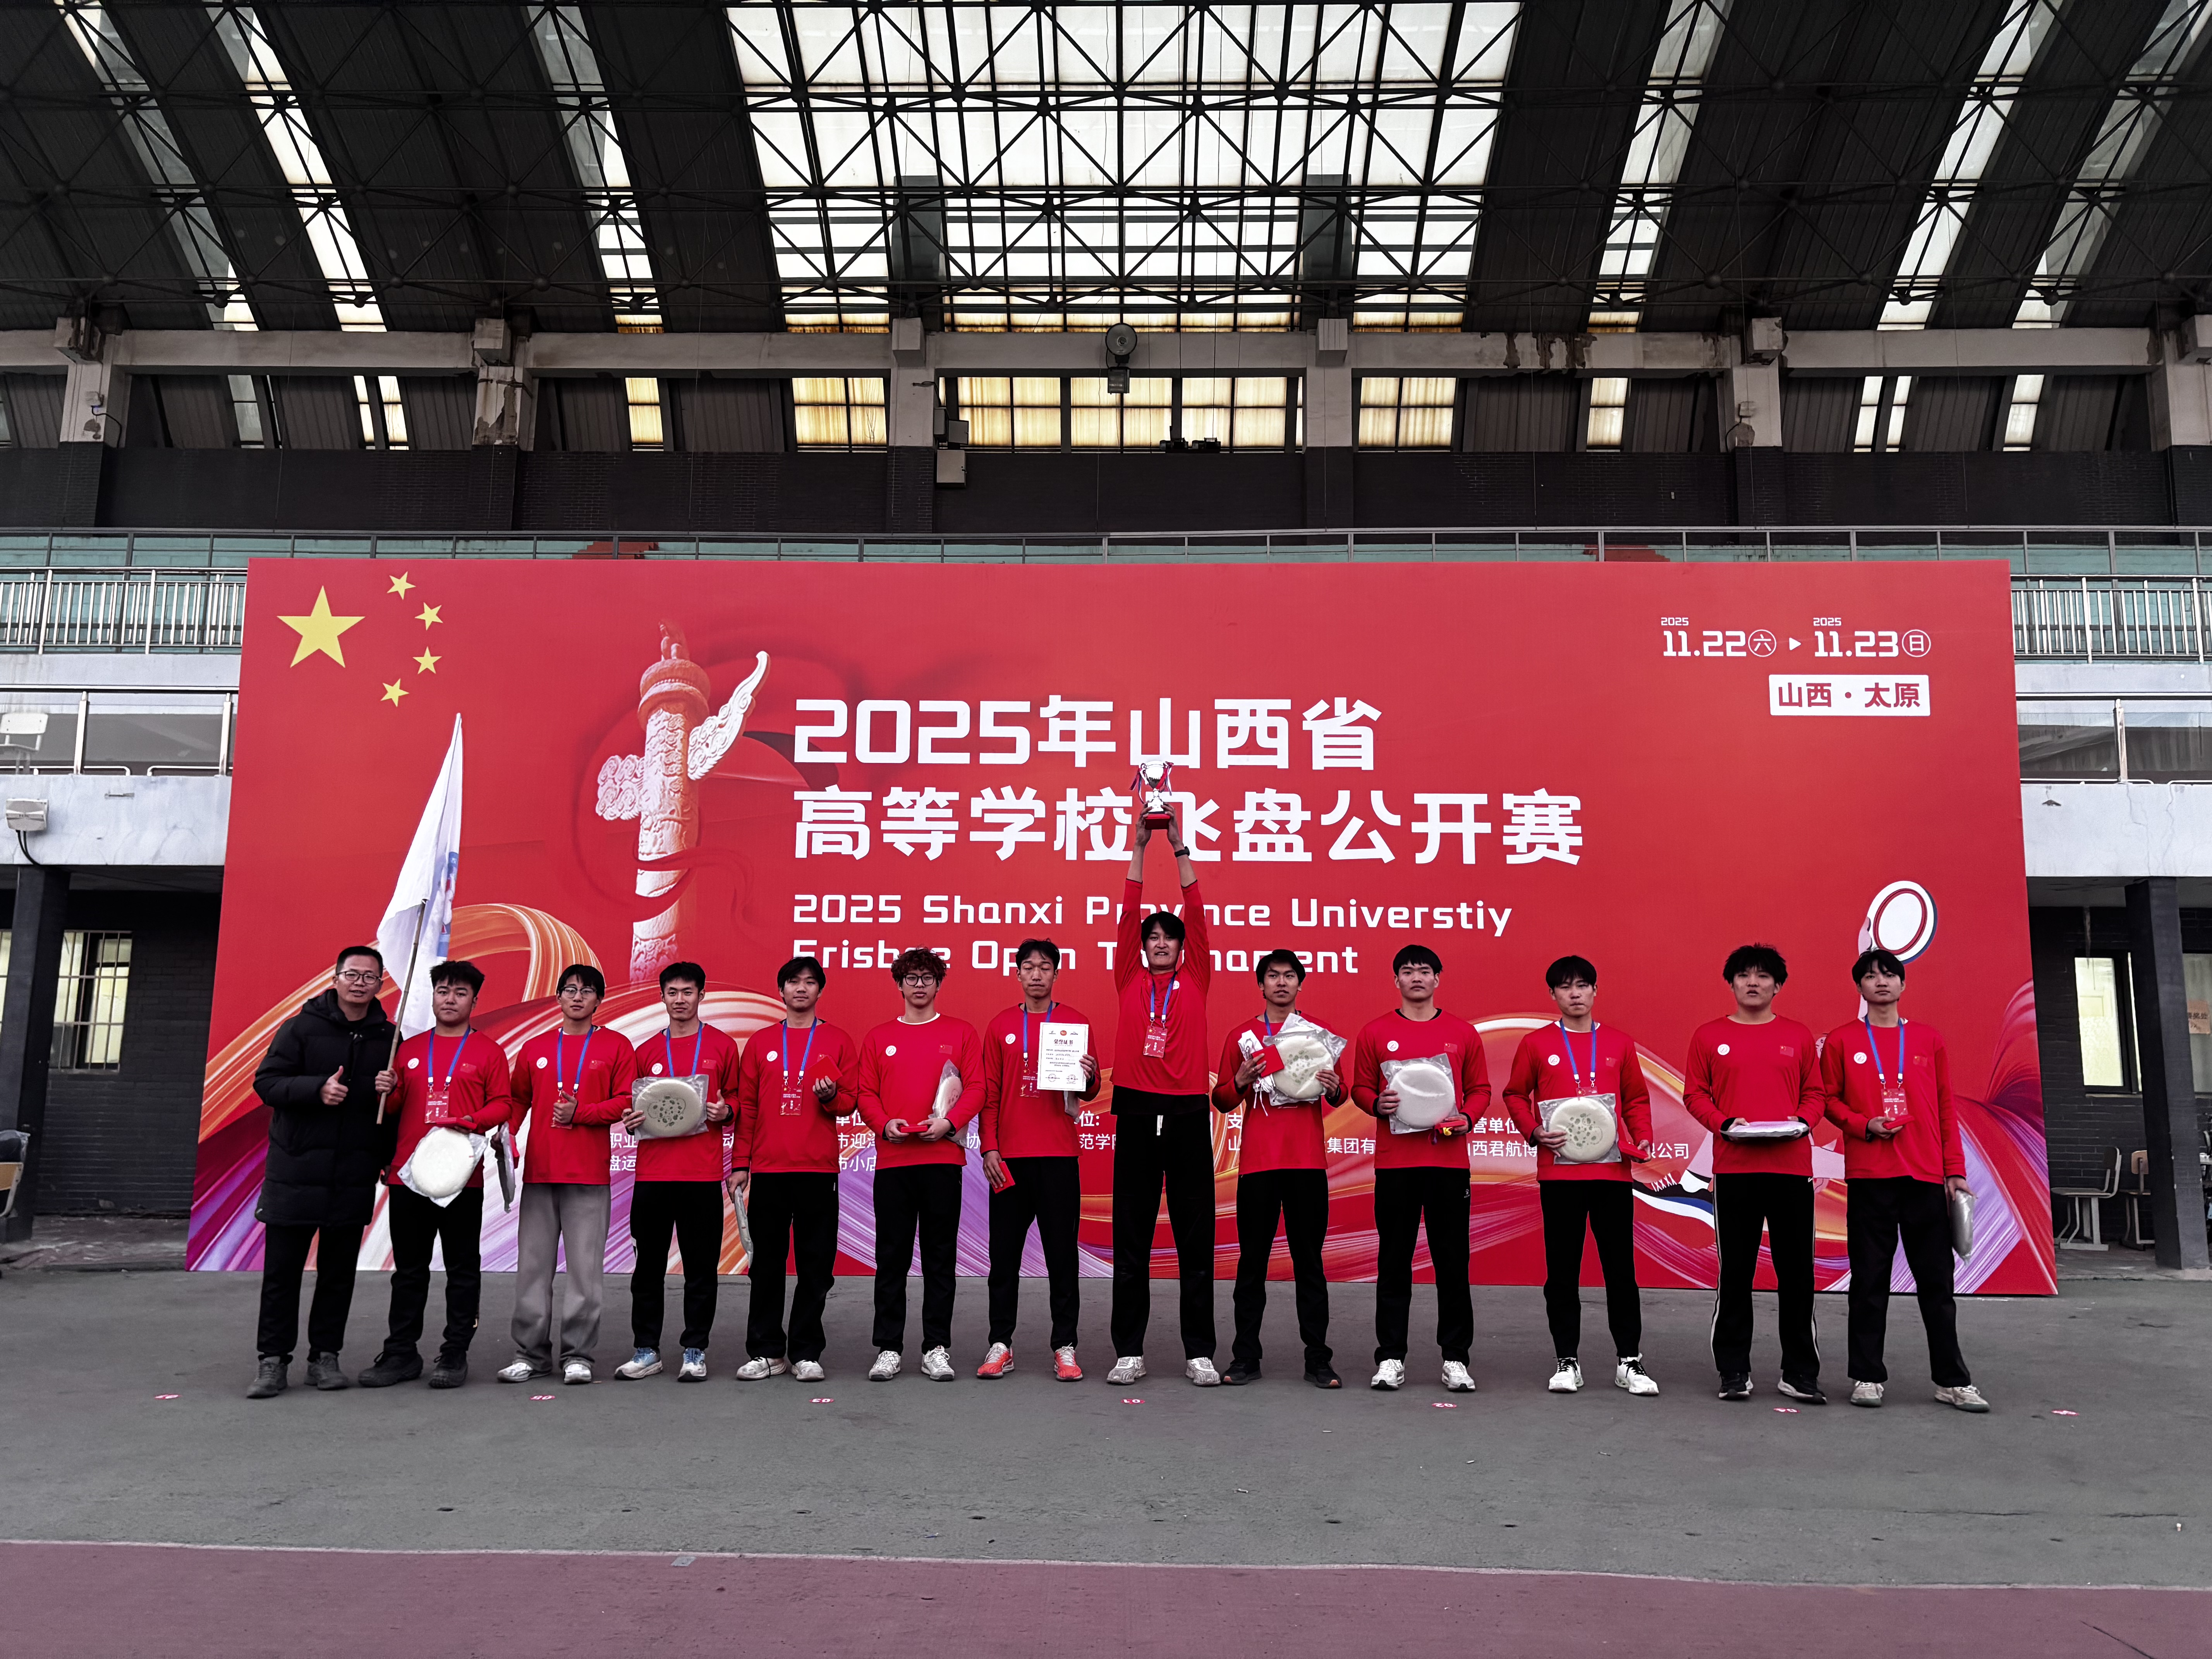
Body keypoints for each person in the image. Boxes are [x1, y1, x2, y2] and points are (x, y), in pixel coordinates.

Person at [1821, 948, 1989, 1412]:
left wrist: (1954, 1170)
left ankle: (1952, 1380)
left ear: (1903, 984)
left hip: (1924, 1176)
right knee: (1869, 1282)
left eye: (1889, 975)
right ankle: (1867, 1376)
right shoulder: (1841, 1041)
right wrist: (1863, 1124)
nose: (1881, 982)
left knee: (1937, 1285)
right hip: (1870, 1176)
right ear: (1859, 987)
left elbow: (1945, 1108)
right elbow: (1828, 1101)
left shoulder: (1928, 1039)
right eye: (1871, 976)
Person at [1502, 955, 1660, 1399]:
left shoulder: (1619, 1043)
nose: (1575, 994)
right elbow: (1514, 1094)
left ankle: (1629, 1361)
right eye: (1565, 987)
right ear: (1552, 994)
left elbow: (1636, 1099)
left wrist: (1644, 1138)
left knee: (1620, 1271)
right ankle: (1566, 1361)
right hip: (1560, 1176)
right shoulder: (1536, 1044)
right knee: (1562, 1272)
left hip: (1612, 1173)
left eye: (1582, 985)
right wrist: (1534, 1131)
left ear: (1595, 991)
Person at [245, 945, 399, 1399]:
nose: (360, 983)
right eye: (352, 974)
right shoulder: (300, 1028)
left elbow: (390, 1113)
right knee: (282, 1274)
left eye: (369, 977)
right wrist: (316, 1089)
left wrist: (392, 1091)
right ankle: (273, 1361)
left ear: (380, 984)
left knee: (338, 1274)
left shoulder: (389, 1038)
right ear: (335, 979)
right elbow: (266, 1083)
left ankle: (325, 1357)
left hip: (352, 1172)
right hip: (296, 1169)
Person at [1107, 797, 1220, 1388]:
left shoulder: (1195, 978)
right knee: (1132, 1240)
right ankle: (1130, 1351)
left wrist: (1177, 847)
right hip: (1135, 1111)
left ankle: (1199, 1351)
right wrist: (1138, 846)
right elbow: (1127, 910)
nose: (1158, 942)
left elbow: (1196, 912)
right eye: (1151, 937)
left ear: (1180, 947)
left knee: (1195, 1240)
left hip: (1186, 1115)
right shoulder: (1128, 977)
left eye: (1167, 938)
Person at [1682, 943, 1826, 1404]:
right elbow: (1695, 1095)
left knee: (1797, 1275)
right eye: (1744, 975)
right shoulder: (1709, 1036)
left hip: (1791, 1171)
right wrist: (1724, 1123)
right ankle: (1733, 1370)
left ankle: (1799, 1373)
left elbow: (1816, 1094)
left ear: (1778, 986)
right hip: (1735, 1170)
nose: (1753, 983)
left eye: (1763, 976)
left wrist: (1802, 1122)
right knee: (1736, 1274)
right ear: (1731, 983)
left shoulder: (1798, 1036)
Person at [359, 958, 511, 1391]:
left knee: (463, 1269)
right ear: (433, 997)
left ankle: (455, 1352)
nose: (450, 999)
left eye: (460, 993)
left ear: (474, 1001)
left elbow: (503, 1105)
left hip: (462, 1177)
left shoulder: (489, 1052)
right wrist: (386, 1091)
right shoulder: (407, 1049)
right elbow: (391, 1110)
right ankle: (401, 1353)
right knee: (409, 1270)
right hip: (409, 1177)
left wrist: (472, 1121)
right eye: (443, 991)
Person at [1346, 945, 1488, 1394]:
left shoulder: (1462, 1033)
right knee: (1394, 1262)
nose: (1417, 978)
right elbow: (1361, 1087)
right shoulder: (1375, 1032)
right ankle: (1391, 1357)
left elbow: (1481, 1090)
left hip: (1448, 1164)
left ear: (1437, 979)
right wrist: (1377, 1104)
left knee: (1453, 1264)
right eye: (1408, 972)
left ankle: (1456, 1359)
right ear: (1397, 981)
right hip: (1396, 1165)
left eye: (1425, 971)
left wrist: (1467, 1117)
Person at [1212, 949, 1342, 1389]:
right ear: (1261, 984)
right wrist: (1241, 1081)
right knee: (1252, 1264)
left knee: (1310, 1264)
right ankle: (1245, 1357)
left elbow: (1341, 1095)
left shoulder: (1318, 1036)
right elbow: (1222, 1099)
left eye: (1289, 976)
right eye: (1273, 976)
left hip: (1307, 1163)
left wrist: (1335, 1088)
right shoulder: (1243, 1036)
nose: (1281, 983)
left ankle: (1319, 1359)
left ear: (1300, 984)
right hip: (1259, 1166)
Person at [501, 964, 636, 1386]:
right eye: (570, 990)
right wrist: (507, 1138)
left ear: (600, 1000)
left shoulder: (616, 1046)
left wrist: (584, 1114)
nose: (578, 997)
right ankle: (530, 1354)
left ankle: (578, 1355)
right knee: (532, 1270)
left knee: (584, 1272)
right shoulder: (536, 1047)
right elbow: (517, 1100)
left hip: (588, 1176)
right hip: (540, 1175)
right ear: (558, 996)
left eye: (587, 991)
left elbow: (627, 1101)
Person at [854, 948, 984, 1381]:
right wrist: (883, 1123)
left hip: (942, 1160)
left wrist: (949, 1123)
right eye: (911, 978)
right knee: (891, 1258)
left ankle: (936, 1348)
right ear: (899, 984)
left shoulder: (961, 1032)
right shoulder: (879, 1037)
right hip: (894, 1163)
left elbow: (977, 1088)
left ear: (939, 984)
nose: (920, 985)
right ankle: (889, 1348)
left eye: (928, 977)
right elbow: (866, 1093)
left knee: (940, 1258)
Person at [977, 939, 1101, 1381]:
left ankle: (1065, 1346)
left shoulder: (1075, 1023)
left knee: (1062, 1257)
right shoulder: (1000, 1026)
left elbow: (1088, 1091)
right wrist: (990, 1147)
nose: (1036, 974)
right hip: (1010, 1159)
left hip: (1058, 1156)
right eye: (1028, 967)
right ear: (1017, 974)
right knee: (1003, 1258)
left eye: (1044, 967)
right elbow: (990, 1094)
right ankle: (1001, 1343)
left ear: (1056, 974)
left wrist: (1089, 1076)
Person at [732, 956, 857, 1383]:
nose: (801, 989)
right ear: (781, 990)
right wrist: (740, 1164)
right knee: (767, 1265)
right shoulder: (761, 1043)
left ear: (820, 990)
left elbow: (850, 1103)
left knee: (815, 1266)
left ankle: (805, 1352)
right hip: (769, 1170)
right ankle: (767, 1351)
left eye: (809, 982)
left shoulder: (837, 1040)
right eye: (793, 982)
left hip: (818, 1172)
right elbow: (748, 1109)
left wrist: (829, 1097)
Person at [617, 960, 742, 1384]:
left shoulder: (722, 1046)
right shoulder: (647, 1051)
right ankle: (646, 1349)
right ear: (662, 997)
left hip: (701, 1176)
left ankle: (695, 1349)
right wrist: (630, 1120)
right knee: (647, 1269)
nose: (680, 1000)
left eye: (688, 992)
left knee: (700, 1269)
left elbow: (738, 1100)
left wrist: (727, 1111)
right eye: (672, 992)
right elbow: (631, 1107)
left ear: (702, 996)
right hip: (652, 1176)